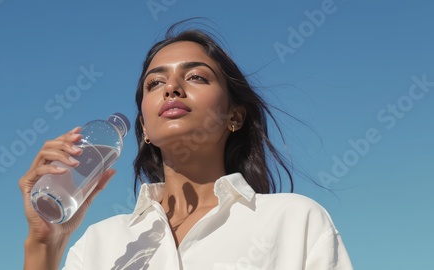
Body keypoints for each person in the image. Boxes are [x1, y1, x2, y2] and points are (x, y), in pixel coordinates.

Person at [19, 21, 353, 269]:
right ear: (145, 128)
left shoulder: (295, 221)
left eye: (196, 77)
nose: (172, 88)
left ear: (234, 116)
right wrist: (44, 244)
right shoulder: (99, 243)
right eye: (155, 83)